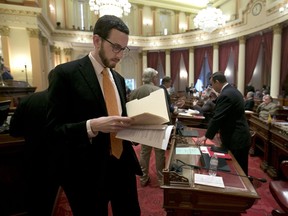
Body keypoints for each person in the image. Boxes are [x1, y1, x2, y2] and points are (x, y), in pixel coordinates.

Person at [46, 15, 142, 215]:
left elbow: (119, 120)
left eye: (124, 49)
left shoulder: (119, 79)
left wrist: (138, 128)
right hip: (86, 172)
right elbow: (53, 131)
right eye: (115, 47)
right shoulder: (65, 74)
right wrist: (92, 126)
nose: (120, 55)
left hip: (123, 165)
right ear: (97, 40)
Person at [9, 73, 59, 216]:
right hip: (60, 160)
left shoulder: (28, 100)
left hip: (33, 157)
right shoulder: (70, 102)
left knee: (36, 199)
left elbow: (14, 131)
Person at [196, 72, 251, 175]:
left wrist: (207, 136)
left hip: (236, 138)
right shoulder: (231, 90)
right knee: (239, 169)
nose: (212, 87)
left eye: (212, 84)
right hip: (239, 135)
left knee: (238, 171)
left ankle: (242, 190)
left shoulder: (226, 94)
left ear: (217, 82)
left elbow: (217, 118)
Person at [129, 67, 165, 187]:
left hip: (143, 127)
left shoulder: (135, 91)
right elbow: (164, 111)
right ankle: (161, 179)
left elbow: (131, 111)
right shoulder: (158, 90)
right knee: (160, 154)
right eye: (156, 76)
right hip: (158, 125)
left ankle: (143, 178)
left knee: (144, 153)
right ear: (153, 77)